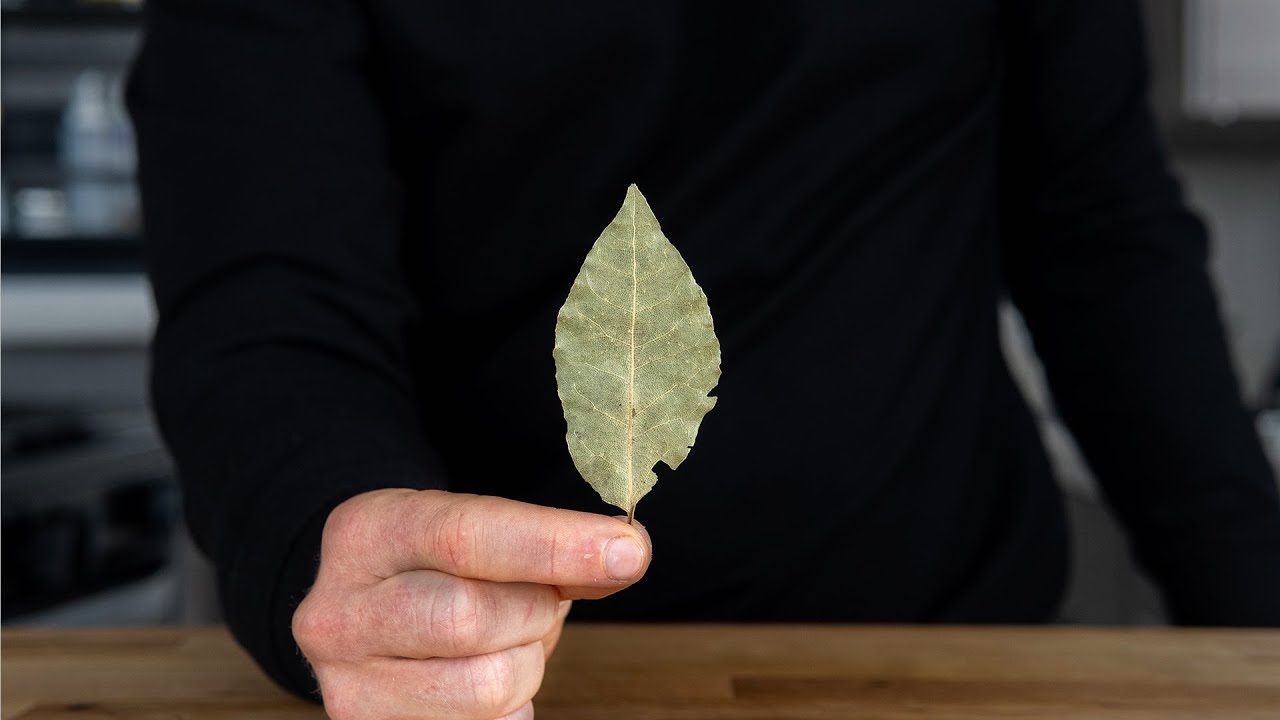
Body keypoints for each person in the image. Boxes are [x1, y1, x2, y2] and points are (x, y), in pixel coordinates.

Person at [128, 1, 1280, 718]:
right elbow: (264, 279)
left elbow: (1100, 235)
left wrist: (1253, 603)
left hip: (938, 650)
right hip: (498, 675)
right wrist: (326, 536)